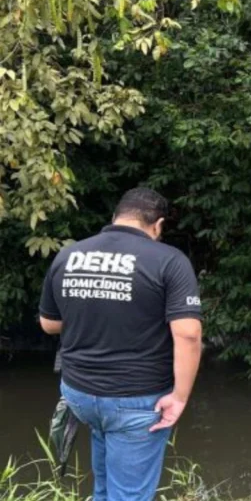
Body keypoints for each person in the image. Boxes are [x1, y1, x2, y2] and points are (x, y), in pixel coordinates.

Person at [38, 187, 203, 501]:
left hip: (80, 394)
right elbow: (188, 334)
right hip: (136, 398)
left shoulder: (69, 254)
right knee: (129, 496)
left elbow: (49, 323)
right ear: (158, 224)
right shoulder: (169, 260)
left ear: (115, 217)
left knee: (104, 487)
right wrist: (179, 397)